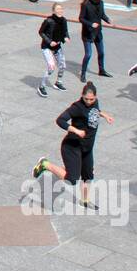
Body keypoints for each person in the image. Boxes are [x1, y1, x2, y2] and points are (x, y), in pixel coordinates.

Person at [32, 81, 115, 209]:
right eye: (86, 99)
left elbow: (95, 110)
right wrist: (75, 130)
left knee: (88, 176)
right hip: (72, 146)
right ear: (81, 96)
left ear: (96, 97)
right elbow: (60, 120)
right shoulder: (77, 107)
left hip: (87, 148)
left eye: (91, 99)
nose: (88, 101)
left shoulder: (95, 103)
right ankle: (44, 164)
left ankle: (85, 201)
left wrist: (104, 115)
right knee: (71, 179)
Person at [36, 3, 69, 98]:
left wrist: (66, 37)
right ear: (53, 11)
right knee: (51, 67)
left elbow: (65, 31)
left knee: (63, 65)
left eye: (61, 9)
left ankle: (58, 82)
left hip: (57, 47)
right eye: (58, 9)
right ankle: (41, 86)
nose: (60, 10)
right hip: (47, 47)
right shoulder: (48, 21)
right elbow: (41, 32)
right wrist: (49, 42)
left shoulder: (64, 20)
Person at [78, 0, 111, 81]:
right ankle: (83, 73)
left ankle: (101, 70)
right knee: (88, 54)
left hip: (98, 32)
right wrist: (91, 24)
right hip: (88, 33)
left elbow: (102, 14)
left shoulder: (101, 3)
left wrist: (107, 19)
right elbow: (81, 18)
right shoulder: (85, 4)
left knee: (101, 52)